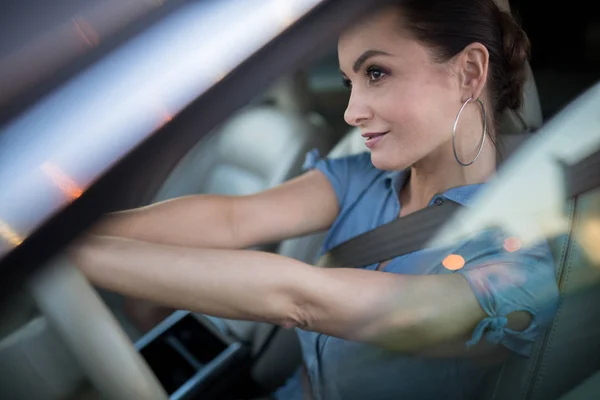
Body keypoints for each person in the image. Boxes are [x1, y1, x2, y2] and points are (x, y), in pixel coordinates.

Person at [69, 0, 560, 398]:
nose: (350, 112)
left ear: (469, 72)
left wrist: (67, 258)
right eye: (350, 81)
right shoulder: (359, 179)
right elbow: (232, 220)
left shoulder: (516, 261)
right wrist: (63, 235)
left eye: (376, 73)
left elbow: (300, 299)